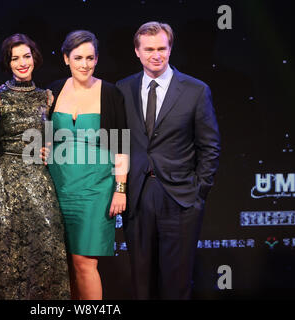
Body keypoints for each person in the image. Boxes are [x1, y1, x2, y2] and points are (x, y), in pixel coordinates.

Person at [116, 21, 221, 299]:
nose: (156, 55)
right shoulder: (122, 89)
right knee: (142, 283)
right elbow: (119, 142)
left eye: (162, 48)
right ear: (137, 51)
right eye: (149, 49)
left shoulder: (195, 90)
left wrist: (198, 193)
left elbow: (210, 146)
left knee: (176, 284)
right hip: (137, 198)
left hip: (180, 198)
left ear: (170, 48)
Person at [0, 34, 70, 300]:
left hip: (39, 182)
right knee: (8, 252)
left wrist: (50, 149)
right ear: (7, 63)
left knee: (46, 248)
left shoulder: (48, 98)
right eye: (15, 58)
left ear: (35, 58)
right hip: (5, 182)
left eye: (26, 56)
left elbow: (56, 140)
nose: (21, 63)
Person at [46, 30, 129, 300]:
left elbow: (121, 146)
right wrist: (43, 148)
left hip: (96, 190)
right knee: (64, 264)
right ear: (66, 59)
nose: (85, 64)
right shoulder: (54, 90)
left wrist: (120, 188)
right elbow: (43, 135)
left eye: (90, 57)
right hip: (58, 189)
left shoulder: (111, 93)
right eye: (78, 57)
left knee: (85, 263)